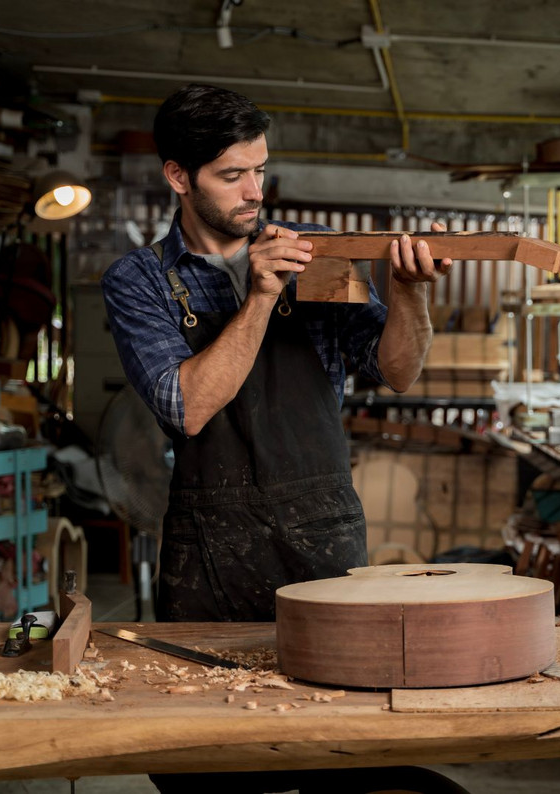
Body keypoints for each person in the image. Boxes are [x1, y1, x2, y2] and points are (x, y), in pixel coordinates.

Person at [102, 84, 452, 625]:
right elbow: (187, 408)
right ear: (178, 177)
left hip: (323, 530)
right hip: (209, 550)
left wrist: (410, 291)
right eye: (231, 175)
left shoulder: (316, 253)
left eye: (260, 170)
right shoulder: (139, 280)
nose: (254, 192)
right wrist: (262, 294)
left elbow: (398, 372)